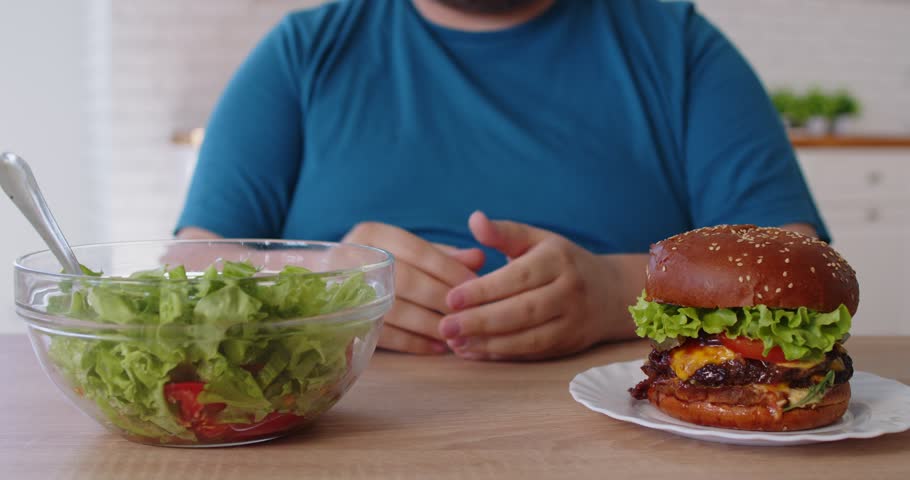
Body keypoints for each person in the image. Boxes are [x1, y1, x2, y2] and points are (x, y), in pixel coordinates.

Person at [176, 0, 827, 361]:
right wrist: (328, 282)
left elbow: (802, 268)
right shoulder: (304, 51)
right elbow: (189, 263)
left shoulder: (679, 47)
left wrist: (619, 294)